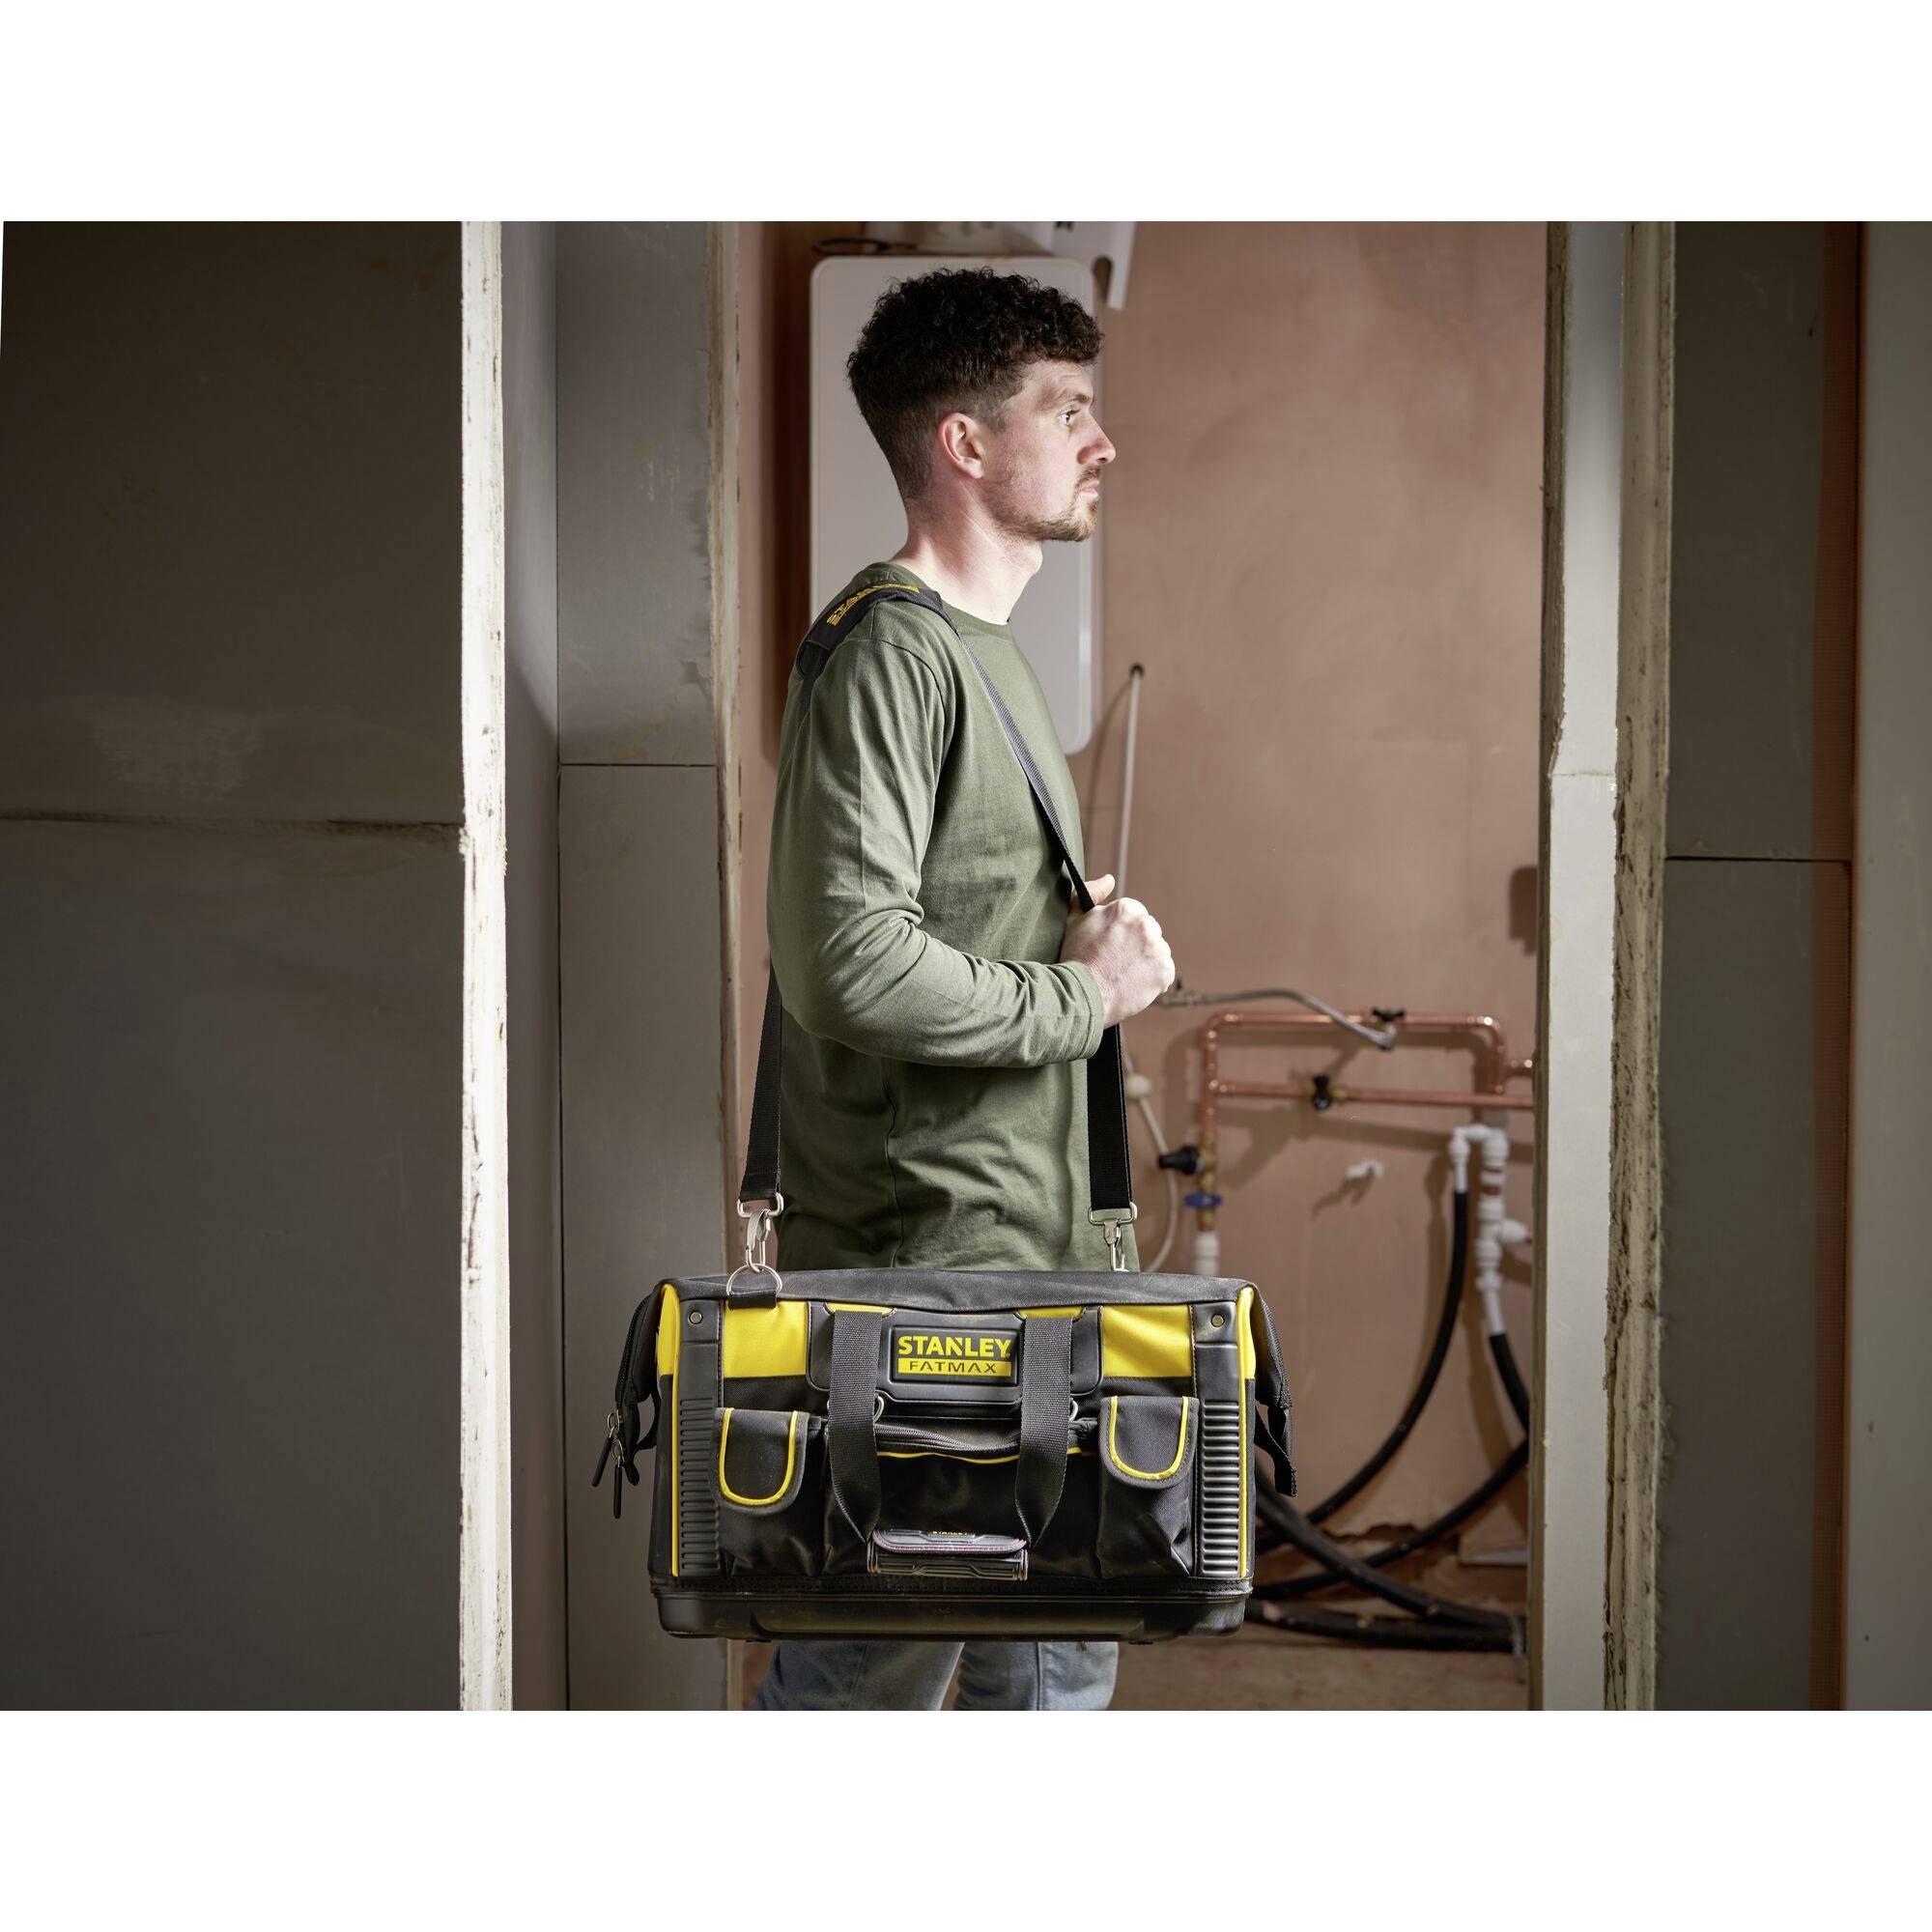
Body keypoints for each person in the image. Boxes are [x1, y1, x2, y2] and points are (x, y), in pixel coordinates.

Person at [751, 267, 1176, 1711]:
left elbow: (956, 929)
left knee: (1043, 1675)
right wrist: (1084, 1000)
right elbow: (844, 963)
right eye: (1070, 412)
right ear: (966, 445)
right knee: (872, 1679)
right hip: (929, 1276)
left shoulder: (986, 660)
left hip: (1023, 1267)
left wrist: (1079, 948)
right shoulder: (889, 653)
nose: (1103, 443)